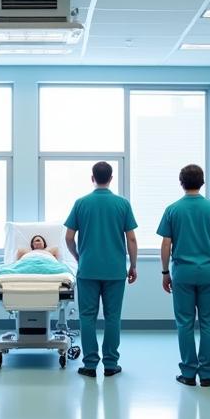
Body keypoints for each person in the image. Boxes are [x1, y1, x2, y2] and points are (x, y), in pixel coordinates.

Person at [157, 164, 210, 387]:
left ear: (181, 182)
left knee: (185, 323)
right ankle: (206, 375)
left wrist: (164, 272)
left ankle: (188, 372)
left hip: (183, 273)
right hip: (209, 272)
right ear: (202, 182)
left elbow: (166, 244)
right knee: (209, 323)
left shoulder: (173, 209)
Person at [64, 161, 138, 378]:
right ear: (111, 178)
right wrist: (132, 265)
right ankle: (110, 364)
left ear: (92, 178)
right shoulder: (122, 204)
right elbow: (131, 238)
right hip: (115, 270)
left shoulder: (81, 203)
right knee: (113, 317)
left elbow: (69, 238)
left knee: (87, 317)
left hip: (87, 269)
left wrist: (79, 257)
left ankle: (89, 365)